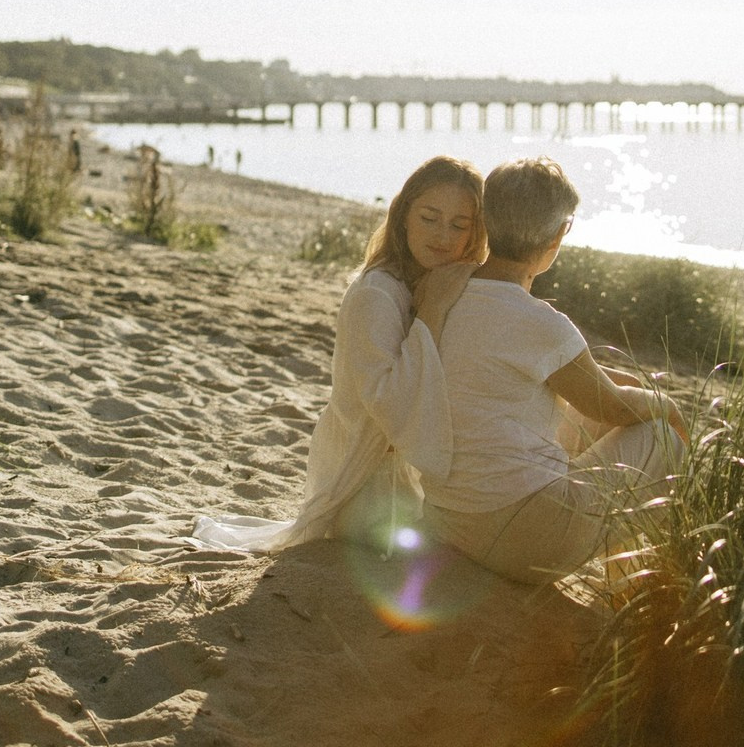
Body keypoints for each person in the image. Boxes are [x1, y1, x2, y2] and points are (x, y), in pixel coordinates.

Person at [189, 155, 486, 554]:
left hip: (406, 473)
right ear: (403, 217)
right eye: (429, 218)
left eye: (459, 225)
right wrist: (433, 313)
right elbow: (387, 406)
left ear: (475, 233)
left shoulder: (440, 284)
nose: (443, 236)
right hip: (365, 482)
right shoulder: (376, 293)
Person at [418, 157, 687, 585]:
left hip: (448, 521)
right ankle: (628, 588)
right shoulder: (541, 324)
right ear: (558, 235)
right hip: (522, 539)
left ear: (485, 220)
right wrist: (669, 405)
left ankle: (624, 578)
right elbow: (613, 408)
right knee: (662, 437)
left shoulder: (446, 292)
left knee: (627, 390)